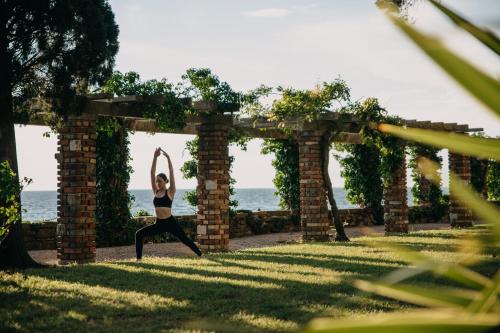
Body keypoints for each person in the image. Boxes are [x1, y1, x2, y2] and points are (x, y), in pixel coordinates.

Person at [135, 147, 202, 261]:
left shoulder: (170, 191)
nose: (157, 183)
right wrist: (155, 157)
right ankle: (139, 259)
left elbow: (171, 172)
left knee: (184, 239)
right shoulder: (155, 191)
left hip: (170, 222)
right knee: (138, 234)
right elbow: (151, 172)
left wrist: (168, 158)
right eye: (156, 181)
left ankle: (200, 254)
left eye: (160, 181)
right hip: (159, 223)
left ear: (165, 181)